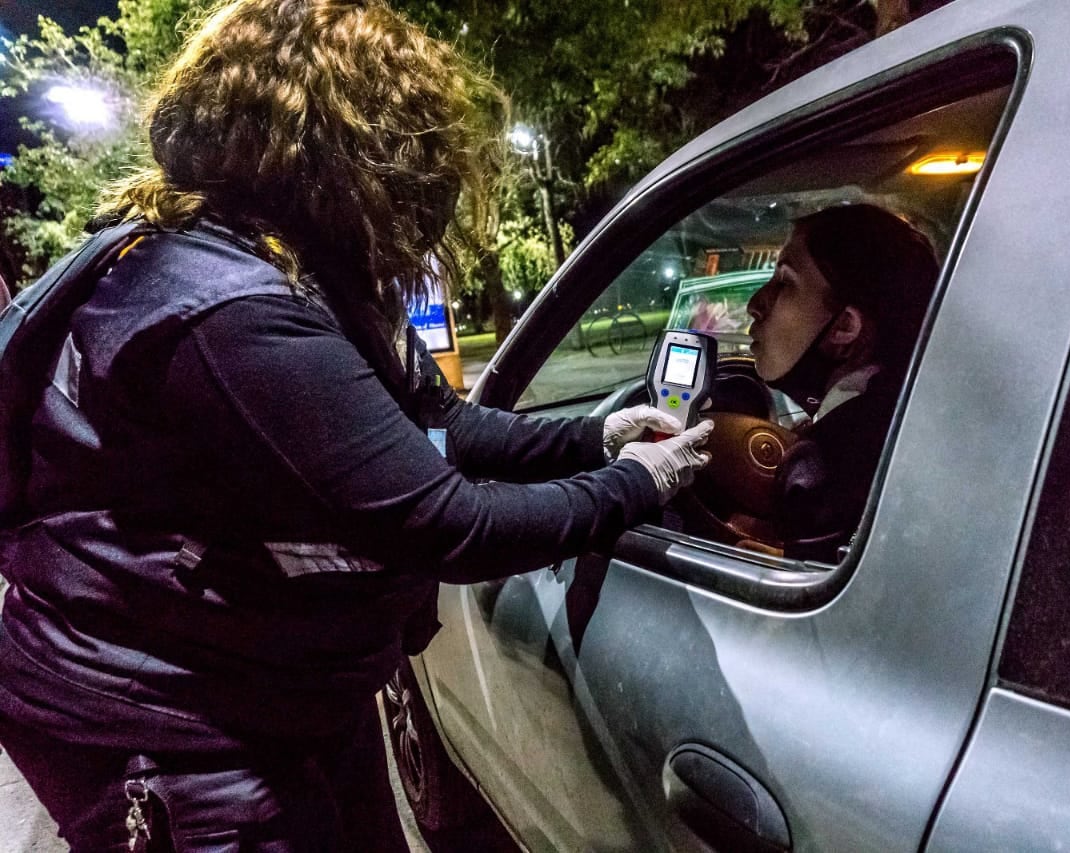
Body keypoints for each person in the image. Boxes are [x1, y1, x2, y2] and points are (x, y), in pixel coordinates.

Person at [0, 1, 711, 850]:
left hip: (271, 687)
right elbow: (444, 520)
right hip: (171, 727)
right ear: (339, 144)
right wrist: (636, 484)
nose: (430, 184)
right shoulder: (224, 309)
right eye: (413, 147)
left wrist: (591, 439)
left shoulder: (306, 270)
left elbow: (435, 427)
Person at [746, 204, 939, 561]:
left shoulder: (822, 467)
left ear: (845, 327)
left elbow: (798, 607)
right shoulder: (913, 416)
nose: (755, 304)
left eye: (784, 282)